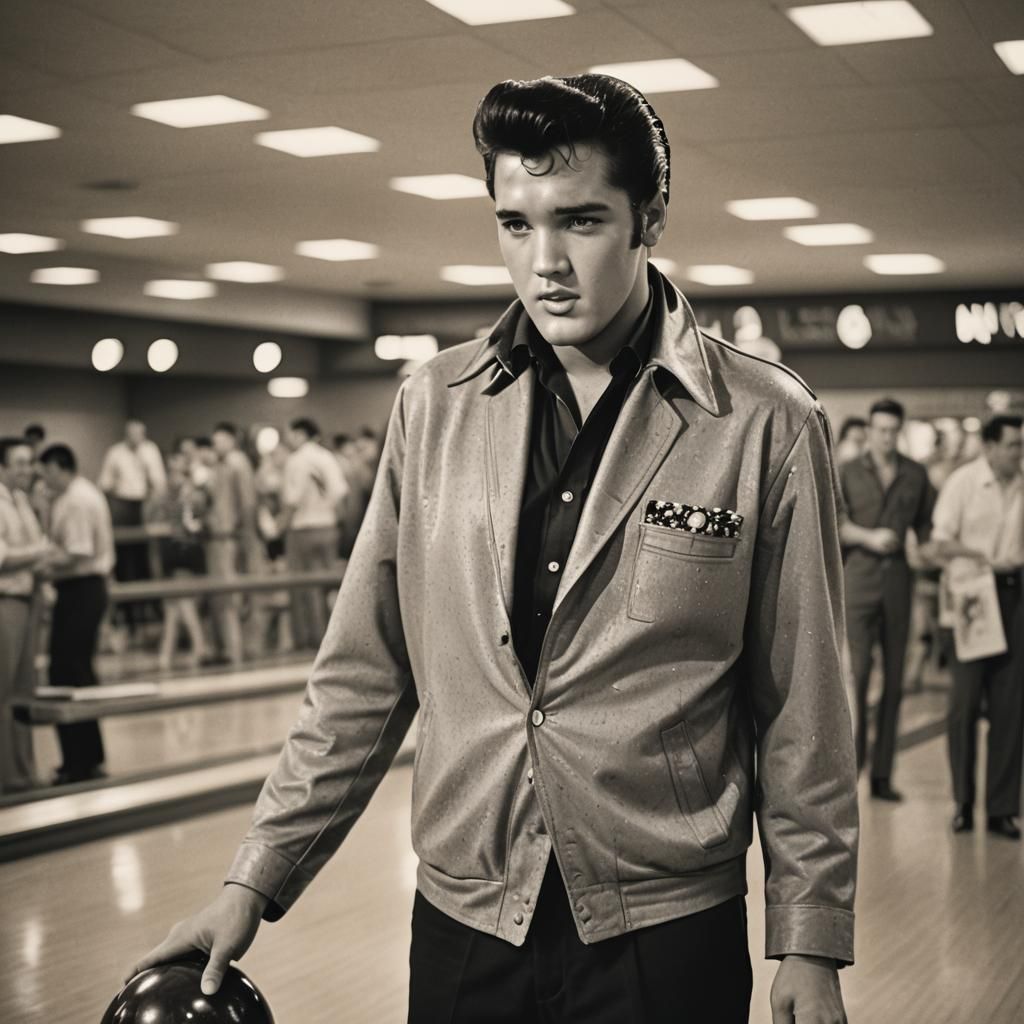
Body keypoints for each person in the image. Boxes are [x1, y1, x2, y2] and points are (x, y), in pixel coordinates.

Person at [133, 74, 857, 1024]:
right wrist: (254, 877)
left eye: (581, 221)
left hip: (663, 929)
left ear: (651, 218)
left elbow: (803, 704)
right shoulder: (434, 405)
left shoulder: (763, 424)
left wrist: (809, 938)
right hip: (468, 922)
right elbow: (363, 670)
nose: (545, 261)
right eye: (515, 224)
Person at [927, 414, 1023, 839]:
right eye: (1012, 445)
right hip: (971, 598)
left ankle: (1002, 808)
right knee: (964, 706)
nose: (1018, 452)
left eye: (1021, 445)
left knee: (1010, 707)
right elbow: (939, 543)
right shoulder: (963, 483)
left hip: (1015, 597)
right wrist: (983, 557)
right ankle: (963, 803)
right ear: (989, 447)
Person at [838, 398, 935, 800]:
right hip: (858, 580)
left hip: (898, 581)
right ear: (870, 430)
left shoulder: (916, 475)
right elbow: (836, 526)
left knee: (894, 681)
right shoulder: (846, 472)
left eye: (893, 430)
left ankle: (882, 775)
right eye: (880, 430)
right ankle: (852, 772)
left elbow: (928, 527)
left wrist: (927, 551)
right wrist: (870, 536)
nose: (886, 437)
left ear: (901, 430)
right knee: (858, 679)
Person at [38, 443, 115, 785]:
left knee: (69, 672)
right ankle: (85, 756)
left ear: (61, 468)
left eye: (47, 472)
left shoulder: (77, 500)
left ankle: (80, 761)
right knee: (76, 671)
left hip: (81, 588)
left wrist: (38, 565)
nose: (44, 480)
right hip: (83, 588)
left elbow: (77, 551)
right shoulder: (77, 495)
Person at [0, 436, 49, 793]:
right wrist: (37, 552)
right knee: (4, 692)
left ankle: (22, 772)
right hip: (6, 601)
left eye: (30, 462)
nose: (28, 470)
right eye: (19, 462)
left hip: (27, 599)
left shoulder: (20, 500)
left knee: (23, 690)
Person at [279, 418, 346, 650]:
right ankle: (336, 638)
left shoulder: (296, 460)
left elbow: (292, 500)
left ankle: (315, 639)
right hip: (327, 527)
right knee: (330, 585)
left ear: (299, 434)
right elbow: (339, 494)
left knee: (306, 588)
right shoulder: (327, 457)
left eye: (288, 433)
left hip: (303, 529)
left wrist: (279, 527)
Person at [98, 419, 167, 637]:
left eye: (140, 434)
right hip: (124, 507)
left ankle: (150, 611)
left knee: (147, 562)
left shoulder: (150, 451)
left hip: (146, 506)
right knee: (125, 563)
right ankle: (128, 616)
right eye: (133, 434)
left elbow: (159, 483)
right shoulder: (115, 453)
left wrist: (152, 504)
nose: (136, 438)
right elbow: (105, 484)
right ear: (126, 434)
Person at [156, 451, 208, 671]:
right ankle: (167, 654)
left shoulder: (192, 496)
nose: (173, 478)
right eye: (171, 472)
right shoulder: (166, 495)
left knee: (182, 603)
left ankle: (196, 647)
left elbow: (193, 525)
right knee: (174, 607)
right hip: (173, 552)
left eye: (178, 472)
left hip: (184, 553)